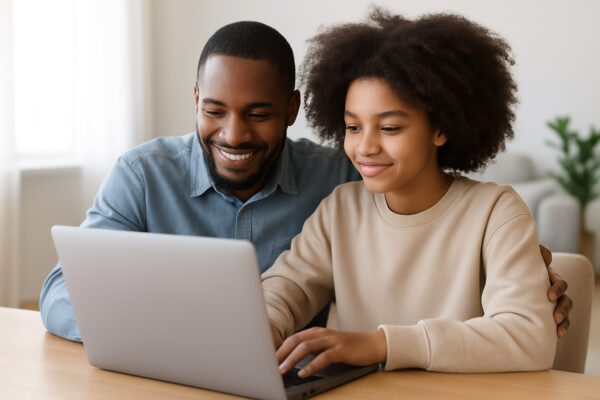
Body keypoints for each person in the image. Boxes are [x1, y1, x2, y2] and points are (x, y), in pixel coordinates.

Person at [40, 20, 571, 343]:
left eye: (258, 113)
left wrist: (518, 269)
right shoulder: (142, 175)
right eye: (214, 110)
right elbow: (62, 290)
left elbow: (434, 215)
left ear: (293, 109)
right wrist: (154, 334)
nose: (233, 133)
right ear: (195, 99)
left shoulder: (345, 181)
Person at [263, 9, 560, 377]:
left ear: (441, 128)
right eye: (353, 127)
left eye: (389, 127)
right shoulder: (341, 209)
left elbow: (529, 338)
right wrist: (267, 323)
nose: (365, 146)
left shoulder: (496, 211)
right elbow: (287, 285)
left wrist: (381, 344)